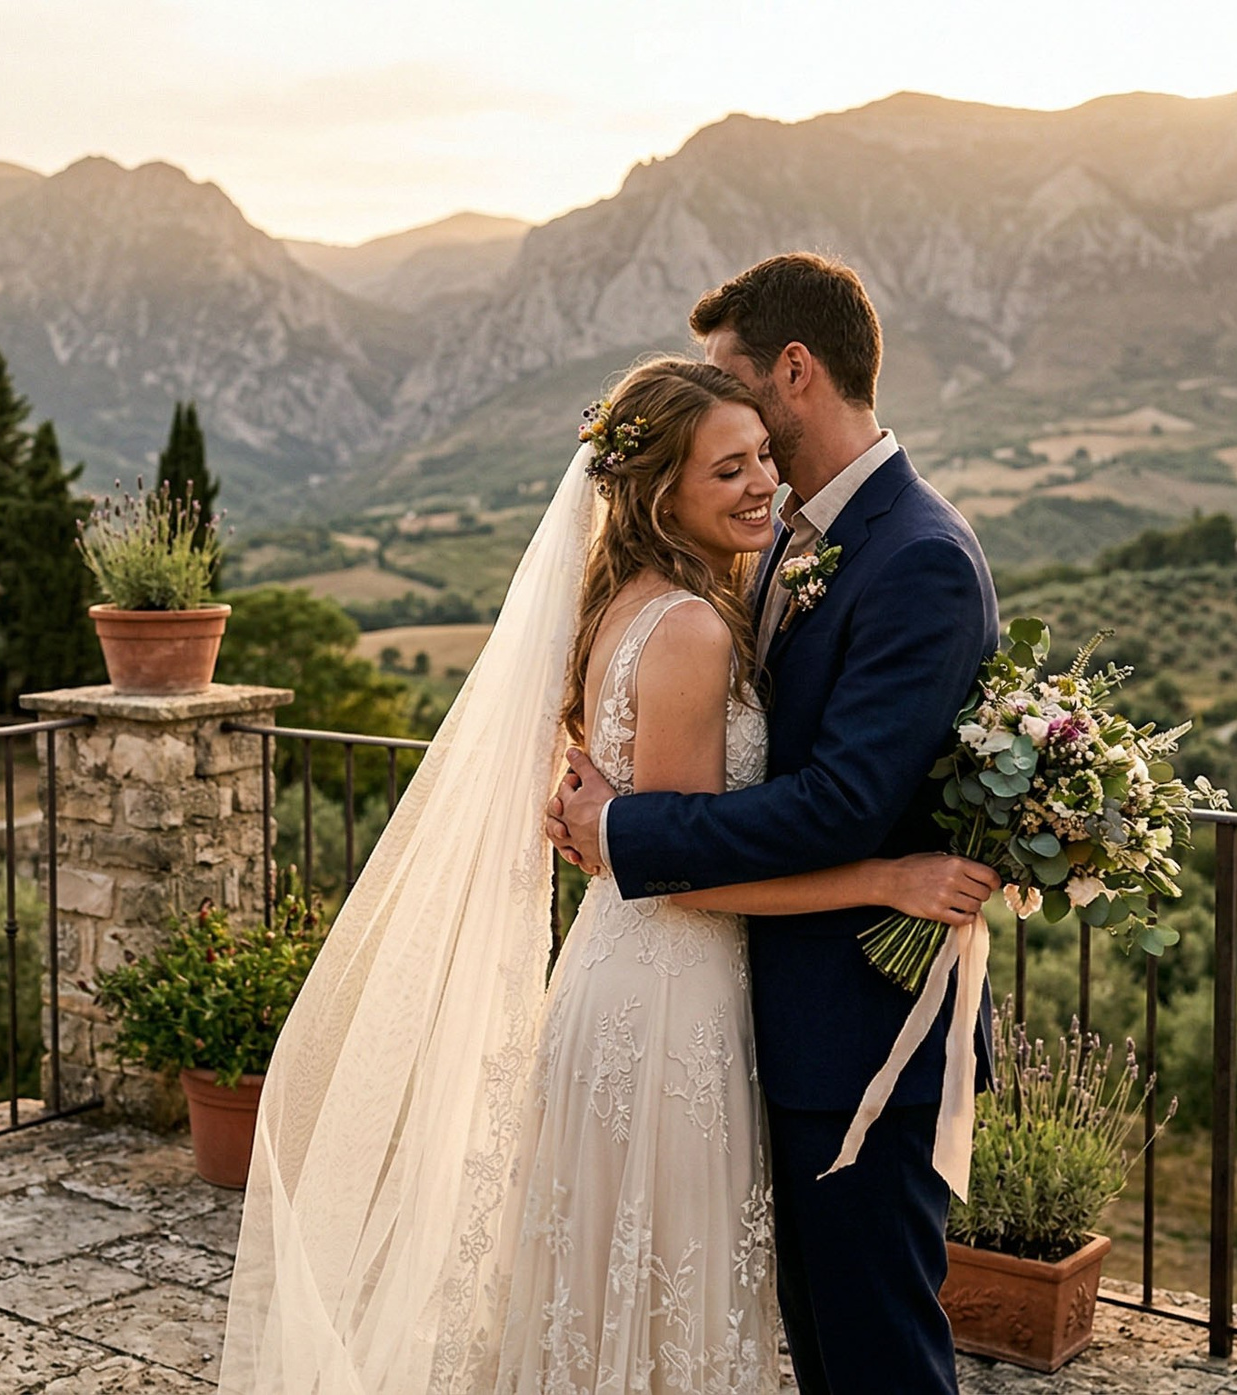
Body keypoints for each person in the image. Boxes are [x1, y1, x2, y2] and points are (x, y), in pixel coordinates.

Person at [218, 322, 996, 1389]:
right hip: (664, 1005)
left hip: (650, 990)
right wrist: (882, 878)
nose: (763, 482)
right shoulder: (690, 626)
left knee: (629, 1304)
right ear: (659, 494)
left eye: (759, 454)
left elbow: (702, 828)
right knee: (659, 1310)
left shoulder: (658, 597)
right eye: (729, 467)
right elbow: (692, 878)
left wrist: (620, 831)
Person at [547, 254, 1000, 1395]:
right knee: (816, 1344)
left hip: (857, 1034)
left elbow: (841, 802)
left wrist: (627, 833)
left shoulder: (917, 555)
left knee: (876, 1356)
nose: (732, 422)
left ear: (793, 369)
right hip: (749, 1021)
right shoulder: (785, 542)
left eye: (733, 379)